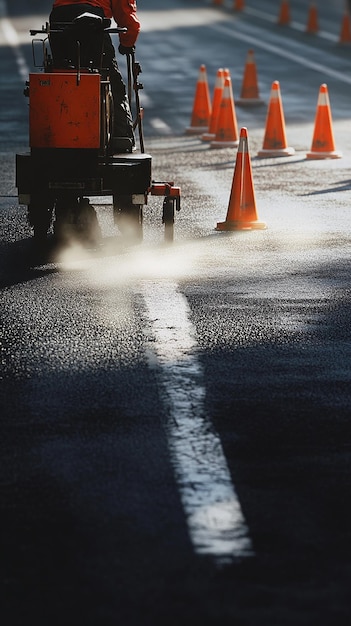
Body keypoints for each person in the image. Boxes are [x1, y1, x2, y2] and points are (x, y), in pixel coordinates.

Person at [49, 1, 141, 152]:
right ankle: (121, 138)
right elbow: (125, 11)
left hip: (60, 19)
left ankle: (56, 134)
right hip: (92, 22)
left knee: (63, 78)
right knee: (110, 79)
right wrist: (127, 42)